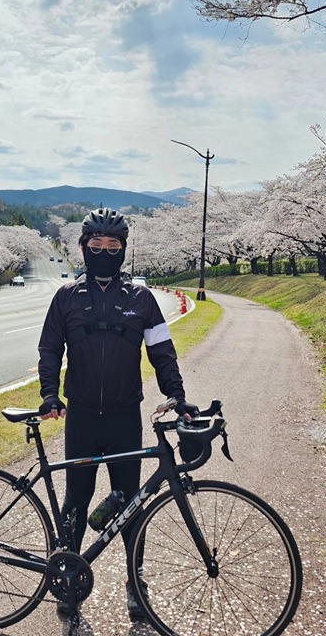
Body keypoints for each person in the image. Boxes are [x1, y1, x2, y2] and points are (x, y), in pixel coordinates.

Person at [37, 207, 200, 619]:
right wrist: (50, 395)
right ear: (83, 249)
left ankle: (134, 579)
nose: (105, 253)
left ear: (123, 251)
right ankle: (68, 578)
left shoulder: (143, 300)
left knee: (130, 503)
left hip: (126, 415)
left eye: (113, 247)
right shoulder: (65, 298)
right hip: (83, 417)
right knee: (77, 497)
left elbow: (162, 352)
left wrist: (177, 395)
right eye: (97, 247)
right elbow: (50, 349)